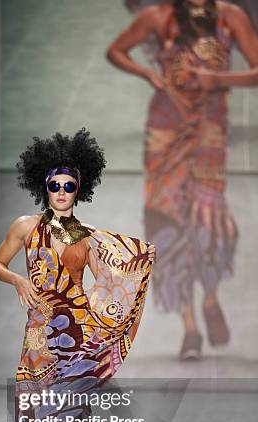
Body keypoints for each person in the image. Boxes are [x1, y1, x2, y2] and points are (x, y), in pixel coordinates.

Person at [0, 128, 155, 422]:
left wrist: (109, 316)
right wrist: (17, 279)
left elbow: (111, 279)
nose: (61, 191)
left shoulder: (88, 240)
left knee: (70, 408)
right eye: (55, 184)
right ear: (43, 186)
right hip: (39, 335)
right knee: (38, 411)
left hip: (78, 337)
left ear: (79, 189)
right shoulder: (25, 227)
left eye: (69, 185)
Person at [107, 0, 258, 359]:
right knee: (167, 220)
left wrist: (218, 79)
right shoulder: (158, 16)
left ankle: (209, 298)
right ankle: (189, 327)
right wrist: (147, 74)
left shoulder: (230, 16)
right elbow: (116, 50)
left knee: (210, 218)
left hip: (209, 131)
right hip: (164, 130)